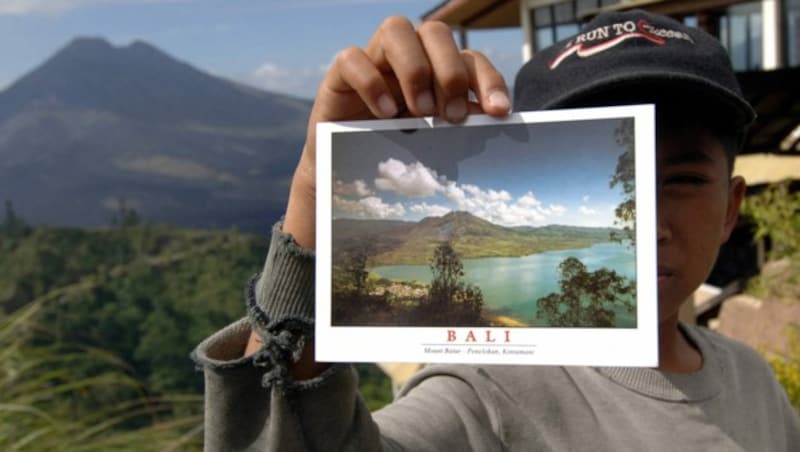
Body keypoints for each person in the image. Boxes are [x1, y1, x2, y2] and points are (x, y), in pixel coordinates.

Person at [192, 9, 800, 451]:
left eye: (683, 178)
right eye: (618, 175)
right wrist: (314, 198)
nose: (646, 222)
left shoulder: (749, 375)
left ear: (730, 209)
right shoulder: (484, 393)